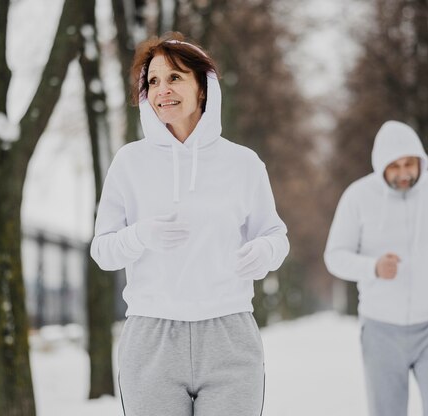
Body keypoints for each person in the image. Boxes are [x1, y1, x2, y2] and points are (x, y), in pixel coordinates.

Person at [90, 32, 289, 416]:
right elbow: (103, 251)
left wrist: (265, 250)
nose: (162, 90)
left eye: (175, 77)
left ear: (204, 88)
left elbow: (275, 235)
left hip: (229, 333)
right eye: (153, 81)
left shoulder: (243, 163)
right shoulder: (130, 163)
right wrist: (140, 235)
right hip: (152, 337)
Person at [324, 121, 428, 416]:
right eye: (394, 166)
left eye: (409, 164)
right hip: (381, 329)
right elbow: (335, 256)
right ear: (381, 166)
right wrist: (373, 268)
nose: (404, 173)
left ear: (421, 160)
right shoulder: (358, 197)